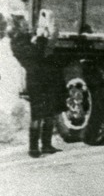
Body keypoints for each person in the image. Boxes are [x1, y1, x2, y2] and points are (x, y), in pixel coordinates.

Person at [8, 12, 66, 158]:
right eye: (23, 24)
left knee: (50, 111)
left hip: (44, 76)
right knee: (37, 114)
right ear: (18, 27)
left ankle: (46, 145)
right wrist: (40, 38)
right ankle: (33, 148)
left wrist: (40, 36)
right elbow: (34, 54)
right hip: (36, 79)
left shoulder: (25, 38)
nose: (27, 25)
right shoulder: (17, 42)